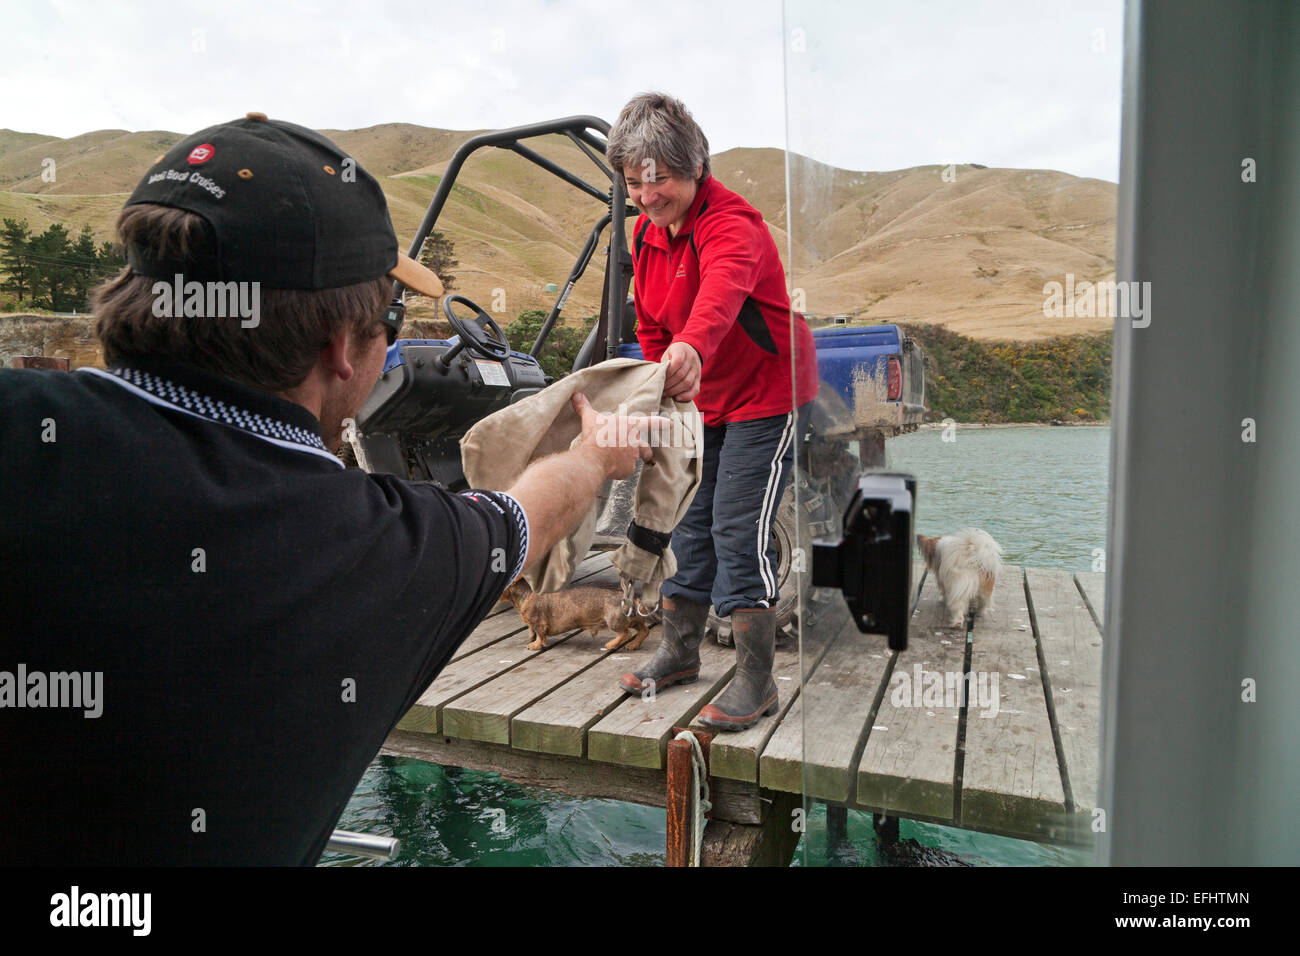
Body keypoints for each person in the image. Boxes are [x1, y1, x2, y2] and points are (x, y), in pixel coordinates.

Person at [0, 114, 654, 865]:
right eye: (391, 319)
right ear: (341, 348)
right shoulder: (388, 550)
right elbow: (526, 516)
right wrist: (598, 456)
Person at [608, 93, 819, 731]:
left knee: (736, 524)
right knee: (687, 519)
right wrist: (654, 397)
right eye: (634, 182)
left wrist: (693, 347)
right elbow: (648, 324)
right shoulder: (645, 235)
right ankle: (678, 651)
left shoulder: (734, 225)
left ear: (695, 169)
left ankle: (757, 679)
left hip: (766, 394)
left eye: (660, 179)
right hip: (703, 400)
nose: (646, 195)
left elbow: (720, 298)